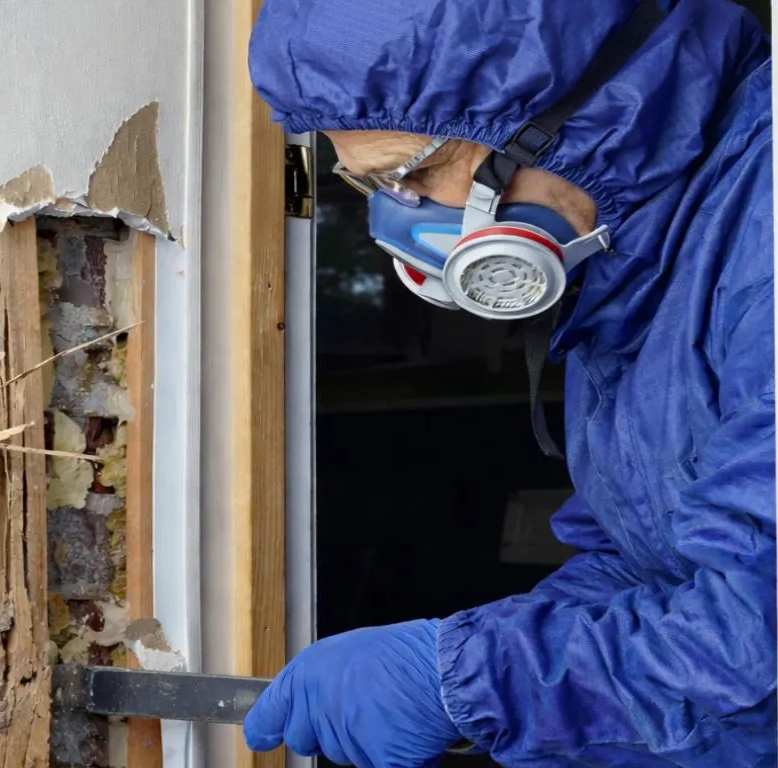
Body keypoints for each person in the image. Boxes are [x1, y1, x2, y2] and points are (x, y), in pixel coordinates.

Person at [243, 0, 775, 766]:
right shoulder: (634, 257)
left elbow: (755, 646)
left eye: (415, 172)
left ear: (579, 109)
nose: (405, 220)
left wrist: (468, 682)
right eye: (373, 187)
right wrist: (475, 667)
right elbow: (643, 562)